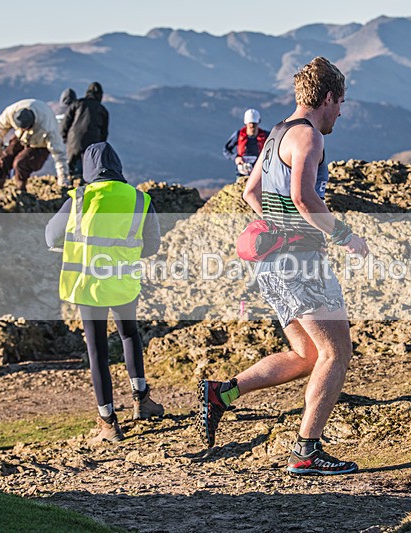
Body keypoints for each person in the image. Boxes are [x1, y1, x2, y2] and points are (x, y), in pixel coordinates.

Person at [199, 57, 369, 475]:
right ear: (327, 98)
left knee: (307, 353)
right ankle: (306, 451)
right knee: (336, 352)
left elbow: (250, 191)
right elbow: (304, 197)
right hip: (300, 261)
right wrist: (345, 236)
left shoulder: (276, 134)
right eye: (341, 102)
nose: (341, 112)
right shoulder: (309, 137)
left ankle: (223, 393)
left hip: (271, 263)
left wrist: (273, 227)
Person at [45, 142, 163, 444]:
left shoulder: (80, 198)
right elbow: (152, 245)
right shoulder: (139, 199)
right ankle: (142, 401)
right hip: (123, 282)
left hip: (87, 286)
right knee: (129, 335)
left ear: (88, 170)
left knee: (97, 350)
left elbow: (51, 236)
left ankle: (109, 422)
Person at [0, 98, 69, 190]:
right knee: (5, 157)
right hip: (20, 137)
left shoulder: (48, 128)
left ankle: (21, 189)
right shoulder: (11, 112)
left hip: (39, 144)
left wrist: (63, 178)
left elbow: (59, 153)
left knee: (21, 163)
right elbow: (0, 125)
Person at [61, 82, 109, 182]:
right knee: (88, 171)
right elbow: (104, 133)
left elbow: (65, 123)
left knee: (71, 168)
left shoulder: (77, 104)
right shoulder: (102, 110)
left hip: (73, 141)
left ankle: (68, 187)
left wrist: (65, 138)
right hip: (92, 144)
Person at [223, 108, 270, 177]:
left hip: (260, 172)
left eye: (254, 124)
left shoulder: (266, 136)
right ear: (245, 123)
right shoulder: (238, 135)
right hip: (242, 173)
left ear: (258, 122)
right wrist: (235, 157)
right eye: (250, 124)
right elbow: (226, 150)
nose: (252, 126)